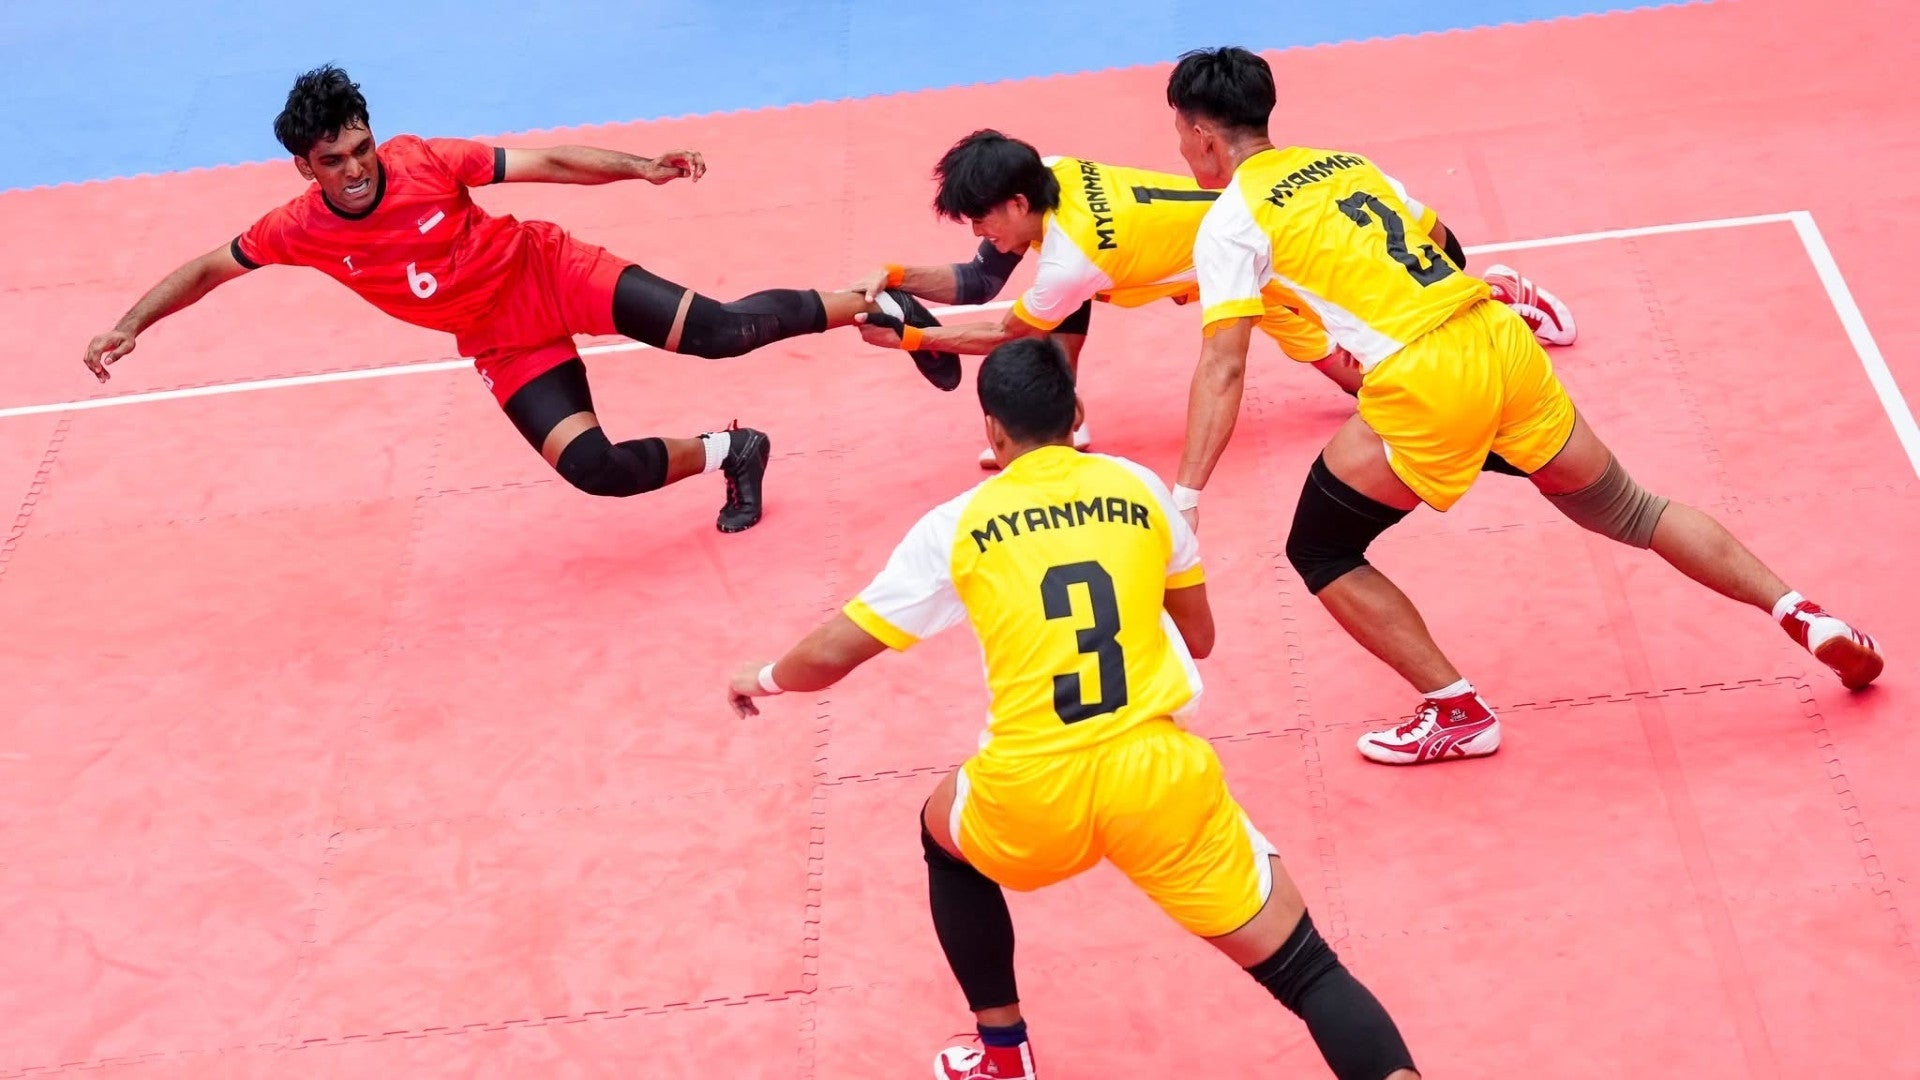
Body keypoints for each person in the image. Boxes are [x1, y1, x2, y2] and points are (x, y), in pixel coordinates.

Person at [1163, 46, 1884, 765]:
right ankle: (1802, 612)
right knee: (1631, 508)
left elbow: (1224, 366)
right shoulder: (1351, 166)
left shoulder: (1229, 223)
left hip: (1426, 384)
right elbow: (1447, 246)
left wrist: (1188, 495)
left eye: (1177, 132)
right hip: (1497, 342)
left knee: (1320, 549)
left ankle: (1456, 712)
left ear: (1199, 134)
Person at [727, 338, 1422, 1080]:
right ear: (1078, 412)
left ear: (992, 430)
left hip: (1031, 786)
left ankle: (1004, 1055)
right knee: (1309, 971)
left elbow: (833, 654)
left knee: (944, 834)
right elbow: (1202, 637)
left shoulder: (956, 525)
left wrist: (762, 677)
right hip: (1157, 780)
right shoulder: (1141, 489)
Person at [80, 65, 958, 533]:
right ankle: (737, 449)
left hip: (551, 272)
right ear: (305, 167)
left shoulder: (424, 162)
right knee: (595, 472)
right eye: (334, 160)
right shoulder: (295, 228)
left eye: (360, 148)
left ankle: (874, 303)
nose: (355, 170)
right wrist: (128, 324)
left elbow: (547, 164)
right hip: (503, 342)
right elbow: (206, 267)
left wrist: (639, 167)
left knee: (721, 333)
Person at [850, 129, 1574, 469]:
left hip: (1253, 259)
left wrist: (914, 338)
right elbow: (980, 280)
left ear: (1014, 202)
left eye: (981, 220)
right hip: (1210, 249)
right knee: (1061, 316)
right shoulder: (1050, 171)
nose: (979, 234)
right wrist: (897, 276)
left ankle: (1503, 296)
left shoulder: (1072, 258)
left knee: (1369, 382)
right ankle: (1061, 422)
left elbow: (1006, 324)